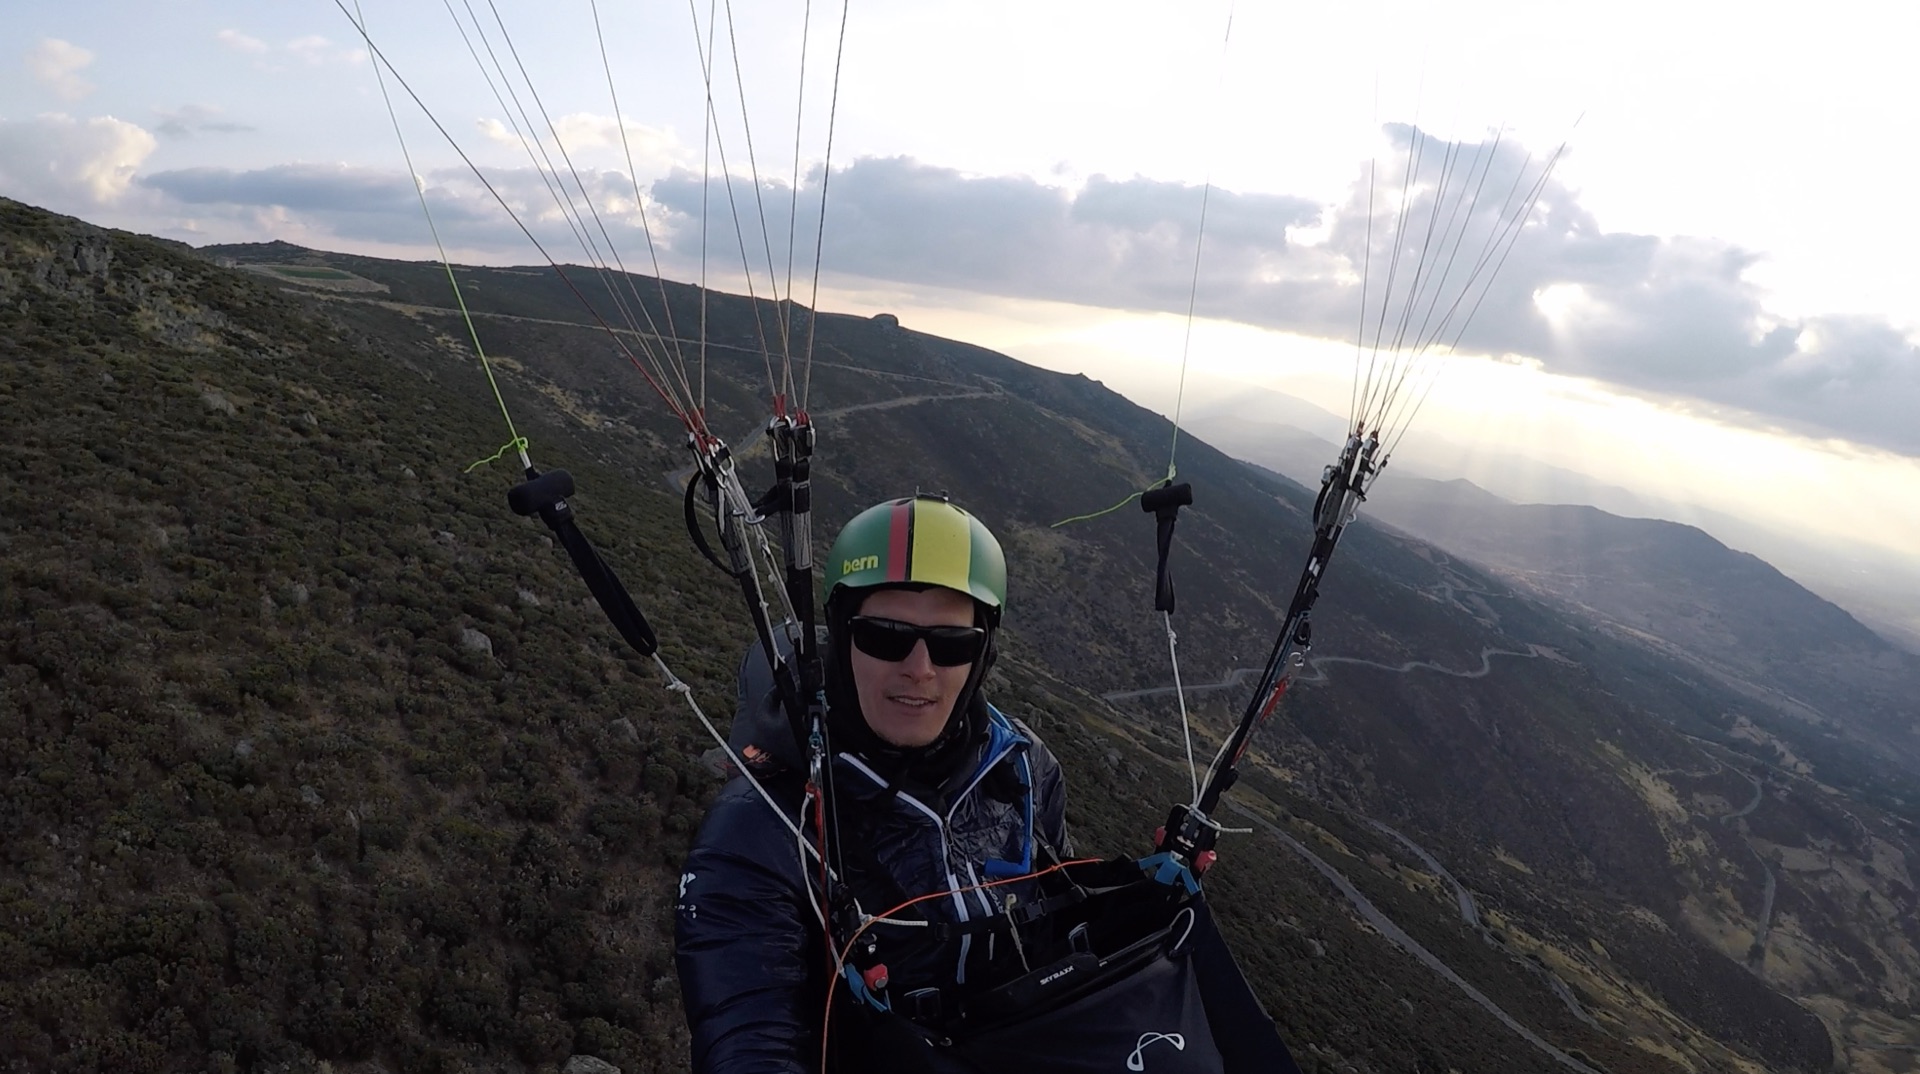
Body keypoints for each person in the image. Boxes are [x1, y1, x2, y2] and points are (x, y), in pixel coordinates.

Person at [674, 495, 1072, 1073]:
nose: (919, 668)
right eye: (885, 637)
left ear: (982, 654)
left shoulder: (1023, 768)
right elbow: (749, 1039)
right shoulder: (762, 828)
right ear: (840, 637)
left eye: (952, 643)